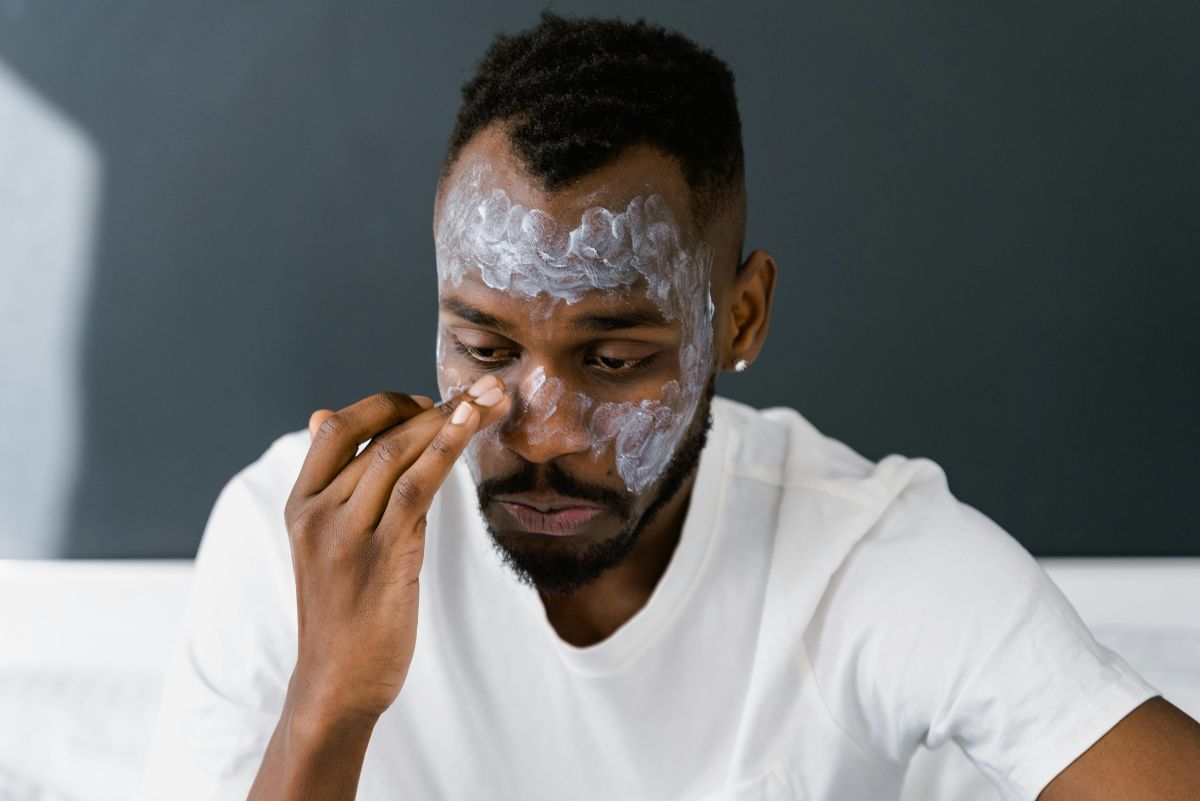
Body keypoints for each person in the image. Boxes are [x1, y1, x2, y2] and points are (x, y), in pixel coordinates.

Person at [141, 12, 1200, 801]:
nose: (540, 427)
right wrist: (331, 698)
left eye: (612, 357)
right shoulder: (291, 533)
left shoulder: (863, 557)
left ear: (741, 318)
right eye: (485, 346)